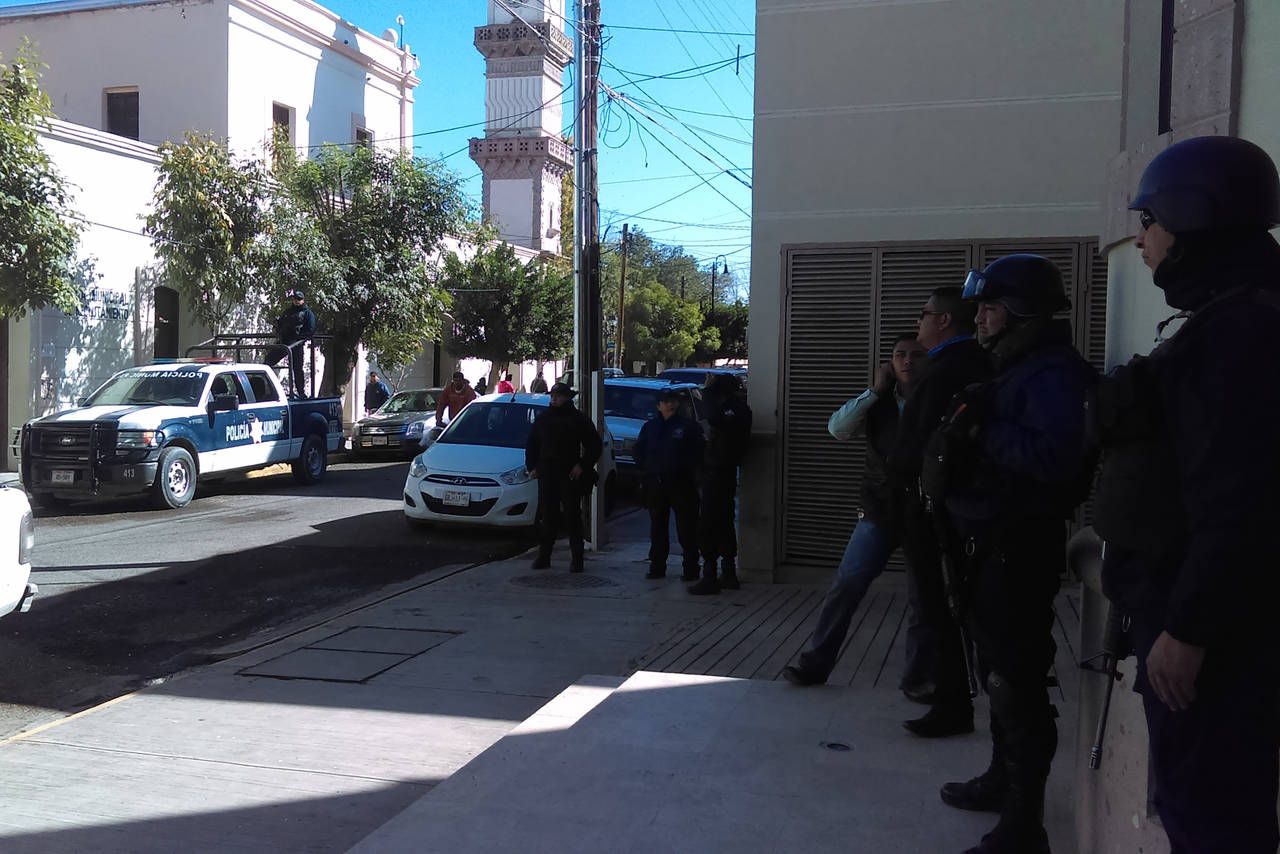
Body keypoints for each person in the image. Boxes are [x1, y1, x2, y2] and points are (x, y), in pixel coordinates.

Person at [1093, 136, 1280, 854]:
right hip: (1213, 621)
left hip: (1216, 640)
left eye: (1149, 220)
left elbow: (1240, 500)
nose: (1141, 240)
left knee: (1210, 817)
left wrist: (1189, 629)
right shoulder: (1235, 317)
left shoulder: (1238, 335)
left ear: (1191, 216)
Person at [923, 255, 1095, 854]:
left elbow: (1056, 460)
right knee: (998, 676)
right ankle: (1002, 779)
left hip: (1016, 547)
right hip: (987, 543)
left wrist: (981, 428)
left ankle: (1024, 825)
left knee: (1018, 683)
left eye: (990, 307)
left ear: (1022, 312)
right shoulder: (1018, 366)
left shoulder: (1053, 374)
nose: (979, 318)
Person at [782, 333, 931, 685]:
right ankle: (815, 663)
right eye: (900, 355)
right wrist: (875, 391)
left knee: (924, 598)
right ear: (890, 363)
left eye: (915, 355)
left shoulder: (936, 400)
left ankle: (919, 678)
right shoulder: (879, 402)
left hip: (923, 511)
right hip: (879, 507)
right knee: (846, 585)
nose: (907, 361)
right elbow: (838, 429)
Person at [889, 286, 994, 738]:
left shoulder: (947, 369)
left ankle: (952, 702)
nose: (920, 322)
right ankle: (952, 698)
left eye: (924, 314)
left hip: (935, 509)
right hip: (956, 506)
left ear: (943, 320)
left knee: (940, 606)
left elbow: (917, 446)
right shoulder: (976, 362)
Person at [525, 382, 603, 573]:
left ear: (567, 397)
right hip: (547, 472)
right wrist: (532, 467)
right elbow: (532, 444)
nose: (554, 399)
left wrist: (582, 465)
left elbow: (594, 445)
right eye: (552, 395)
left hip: (569, 473)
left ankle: (577, 560)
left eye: (558, 395)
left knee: (572, 516)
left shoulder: (578, 419)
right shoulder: (543, 419)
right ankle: (544, 557)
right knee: (548, 516)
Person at [689, 373, 753, 595]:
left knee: (708, 523)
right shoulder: (740, 410)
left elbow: (713, 418)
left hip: (718, 471)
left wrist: (706, 392)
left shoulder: (731, 411)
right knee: (725, 521)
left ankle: (710, 575)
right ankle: (728, 572)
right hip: (725, 470)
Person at [633, 387, 704, 580]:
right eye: (666, 401)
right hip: (656, 483)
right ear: (659, 406)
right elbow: (638, 451)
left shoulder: (688, 427)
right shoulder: (651, 427)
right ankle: (657, 567)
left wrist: (689, 471)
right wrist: (648, 468)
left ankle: (691, 568)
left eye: (673, 401)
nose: (670, 404)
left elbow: (699, 453)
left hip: (682, 483)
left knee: (687, 528)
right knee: (658, 527)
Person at [266, 289, 315, 397]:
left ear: (303, 300)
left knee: (297, 369)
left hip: (296, 344)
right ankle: (267, 390)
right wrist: (276, 328)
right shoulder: (288, 312)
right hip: (284, 342)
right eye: (295, 299)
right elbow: (281, 323)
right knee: (268, 362)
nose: (297, 301)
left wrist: (298, 339)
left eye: (299, 299)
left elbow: (310, 330)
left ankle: (301, 393)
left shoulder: (307, 313)